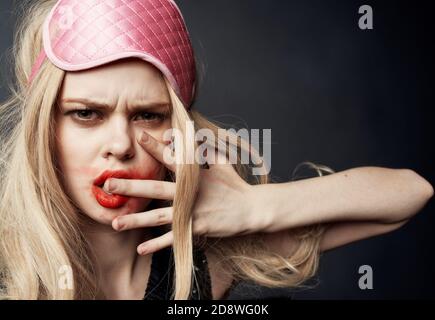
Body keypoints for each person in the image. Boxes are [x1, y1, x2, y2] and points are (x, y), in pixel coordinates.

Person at [0, 0, 433, 300]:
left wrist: (252, 206)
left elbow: (410, 193)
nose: (119, 146)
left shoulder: (208, 259)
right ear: (45, 127)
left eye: (148, 115)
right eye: (86, 114)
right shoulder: (7, 263)